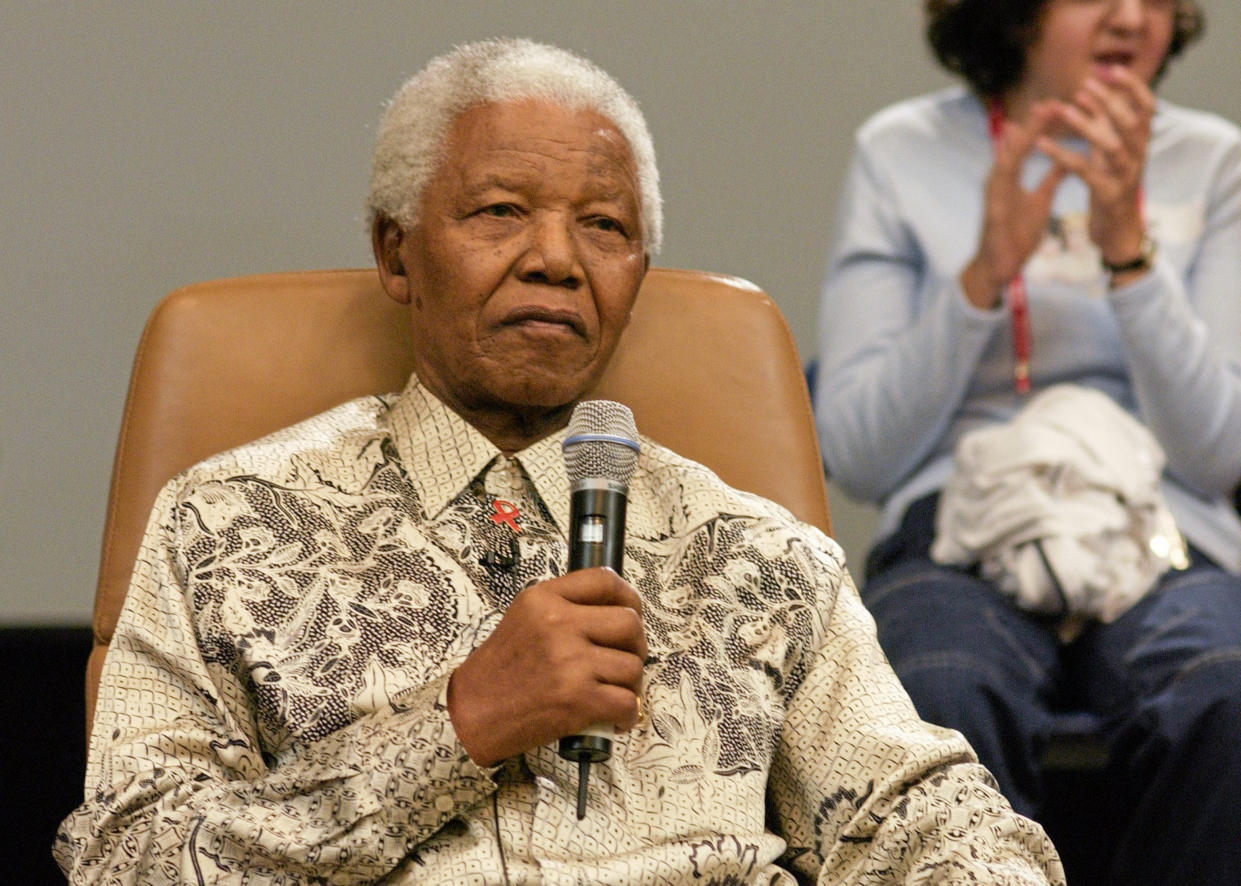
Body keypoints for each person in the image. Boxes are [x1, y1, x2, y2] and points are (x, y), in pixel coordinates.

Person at [56, 38, 1063, 885]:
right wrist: (455, 727)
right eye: (499, 211)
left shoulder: (754, 552)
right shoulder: (225, 521)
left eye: (605, 227)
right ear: (396, 254)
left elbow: (932, 820)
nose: (556, 259)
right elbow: (123, 856)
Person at [813, 0, 1241, 882]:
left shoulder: (1212, 162)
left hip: (1161, 522)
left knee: (1226, 691)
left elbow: (1218, 453)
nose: (1134, 15)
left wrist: (1130, 256)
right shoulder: (901, 153)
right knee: (931, 688)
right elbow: (857, 452)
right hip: (958, 521)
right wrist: (981, 274)